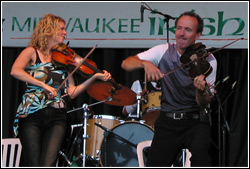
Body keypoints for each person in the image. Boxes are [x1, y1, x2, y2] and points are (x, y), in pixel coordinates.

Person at [10, 13, 112, 167]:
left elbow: (72, 92)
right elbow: (15, 70)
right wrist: (43, 85)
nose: (65, 33)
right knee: (33, 163)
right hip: (32, 113)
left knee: (49, 163)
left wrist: (94, 77)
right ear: (49, 30)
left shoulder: (64, 60)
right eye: (62, 29)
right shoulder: (32, 51)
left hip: (58, 116)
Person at [121, 11, 217, 166]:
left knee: (201, 158)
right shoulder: (163, 50)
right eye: (179, 28)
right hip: (168, 122)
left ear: (198, 35)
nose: (181, 34)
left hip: (196, 121)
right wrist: (146, 63)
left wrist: (200, 90)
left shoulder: (208, 61)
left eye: (188, 30)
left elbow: (204, 103)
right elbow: (126, 63)